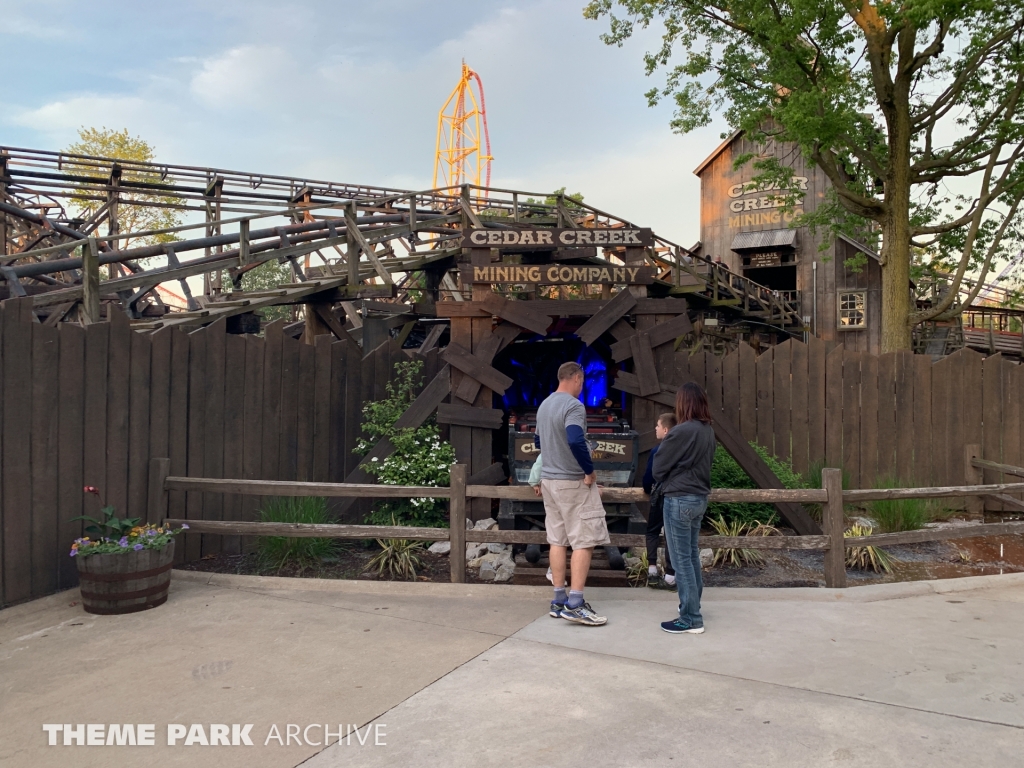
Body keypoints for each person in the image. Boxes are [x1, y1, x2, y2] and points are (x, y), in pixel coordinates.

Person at [535, 361, 609, 626]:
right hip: (572, 481)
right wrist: (588, 470)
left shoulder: (545, 405)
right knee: (583, 541)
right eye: (582, 381)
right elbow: (576, 438)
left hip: (549, 482)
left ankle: (558, 599)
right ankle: (575, 603)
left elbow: (537, 442)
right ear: (577, 378)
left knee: (557, 539)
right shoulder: (573, 406)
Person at [652, 382, 716, 635]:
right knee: (690, 556)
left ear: (683, 403)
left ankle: (691, 618)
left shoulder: (681, 431)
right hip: (699, 498)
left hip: (679, 498)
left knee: (681, 561)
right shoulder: (707, 430)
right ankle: (691, 606)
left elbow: (657, 468)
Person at [643, 412, 678, 590]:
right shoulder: (681, 449)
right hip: (676, 495)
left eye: (657, 426)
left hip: (659, 495)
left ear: (665, 429)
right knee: (672, 534)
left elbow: (648, 478)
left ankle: (652, 570)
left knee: (653, 531)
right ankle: (671, 575)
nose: (655, 428)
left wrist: (647, 488)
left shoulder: (657, 451)